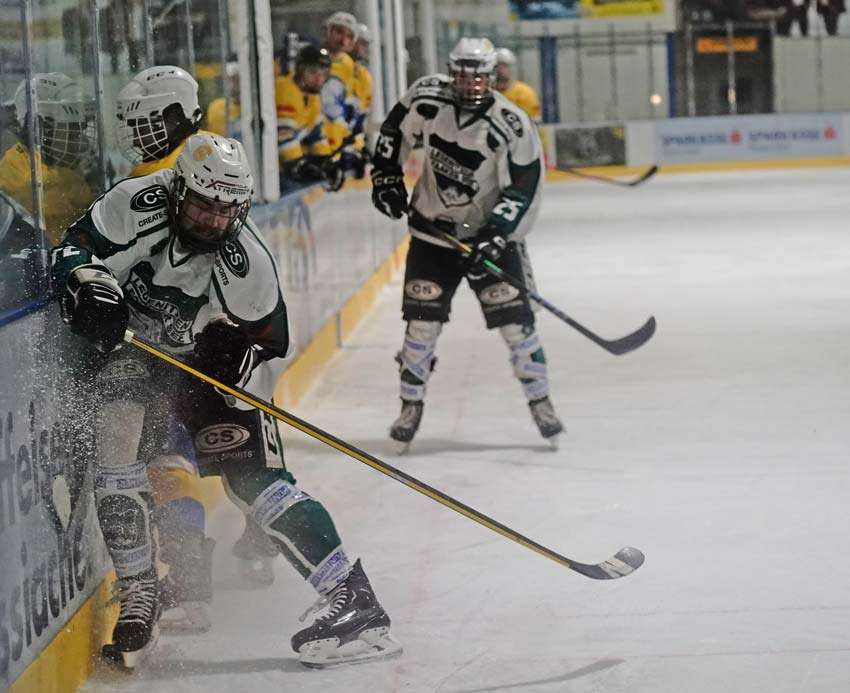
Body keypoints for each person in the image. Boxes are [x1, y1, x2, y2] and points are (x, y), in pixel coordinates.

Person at [50, 133, 401, 669]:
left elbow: (271, 337)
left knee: (256, 482)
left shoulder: (247, 262)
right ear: (177, 190)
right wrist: (87, 280)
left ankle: (352, 599)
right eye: (203, 205)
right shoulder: (136, 201)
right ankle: (140, 590)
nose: (215, 221)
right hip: (133, 349)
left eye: (227, 210)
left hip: (204, 367)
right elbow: (73, 246)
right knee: (116, 455)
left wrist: (230, 357)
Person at [370, 37, 564, 451]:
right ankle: (410, 404)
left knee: (517, 326)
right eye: (461, 73)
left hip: (488, 241)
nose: (469, 82)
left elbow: (524, 187)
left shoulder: (511, 124)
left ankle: (541, 400)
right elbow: (393, 134)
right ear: (450, 71)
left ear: (492, 77)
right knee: (421, 327)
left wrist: (497, 233)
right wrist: (386, 178)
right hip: (432, 236)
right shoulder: (426, 98)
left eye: (478, 75)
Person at [114, 64, 217, 631]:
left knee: (159, 458)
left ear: (176, 116)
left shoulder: (163, 175)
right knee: (177, 453)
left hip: (165, 342)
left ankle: (191, 577)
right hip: (203, 340)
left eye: (147, 120)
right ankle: (208, 566)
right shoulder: (210, 157)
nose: (138, 132)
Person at [0, 73, 93, 246]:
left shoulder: (66, 172)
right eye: (72, 132)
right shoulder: (13, 171)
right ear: (41, 127)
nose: (80, 141)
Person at [276, 45, 344, 191]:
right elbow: (284, 135)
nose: (319, 79)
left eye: (324, 73)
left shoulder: (312, 95)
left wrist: (326, 163)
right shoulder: (285, 89)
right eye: (313, 72)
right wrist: (299, 165)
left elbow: (316, 134)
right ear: (299, 70)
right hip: (267, 171)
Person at [321, 11, 359, 152]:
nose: (343, 40)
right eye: (339, 32)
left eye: (349, 36)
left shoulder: (348, 64)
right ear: (328, 31)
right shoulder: (312, 56)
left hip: (336, 136)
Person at [493, 48, 542, 124]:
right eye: (496, 66)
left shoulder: (525, 93)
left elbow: (534, 123)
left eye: (504, 65)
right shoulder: (487, 93)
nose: (500, 69)